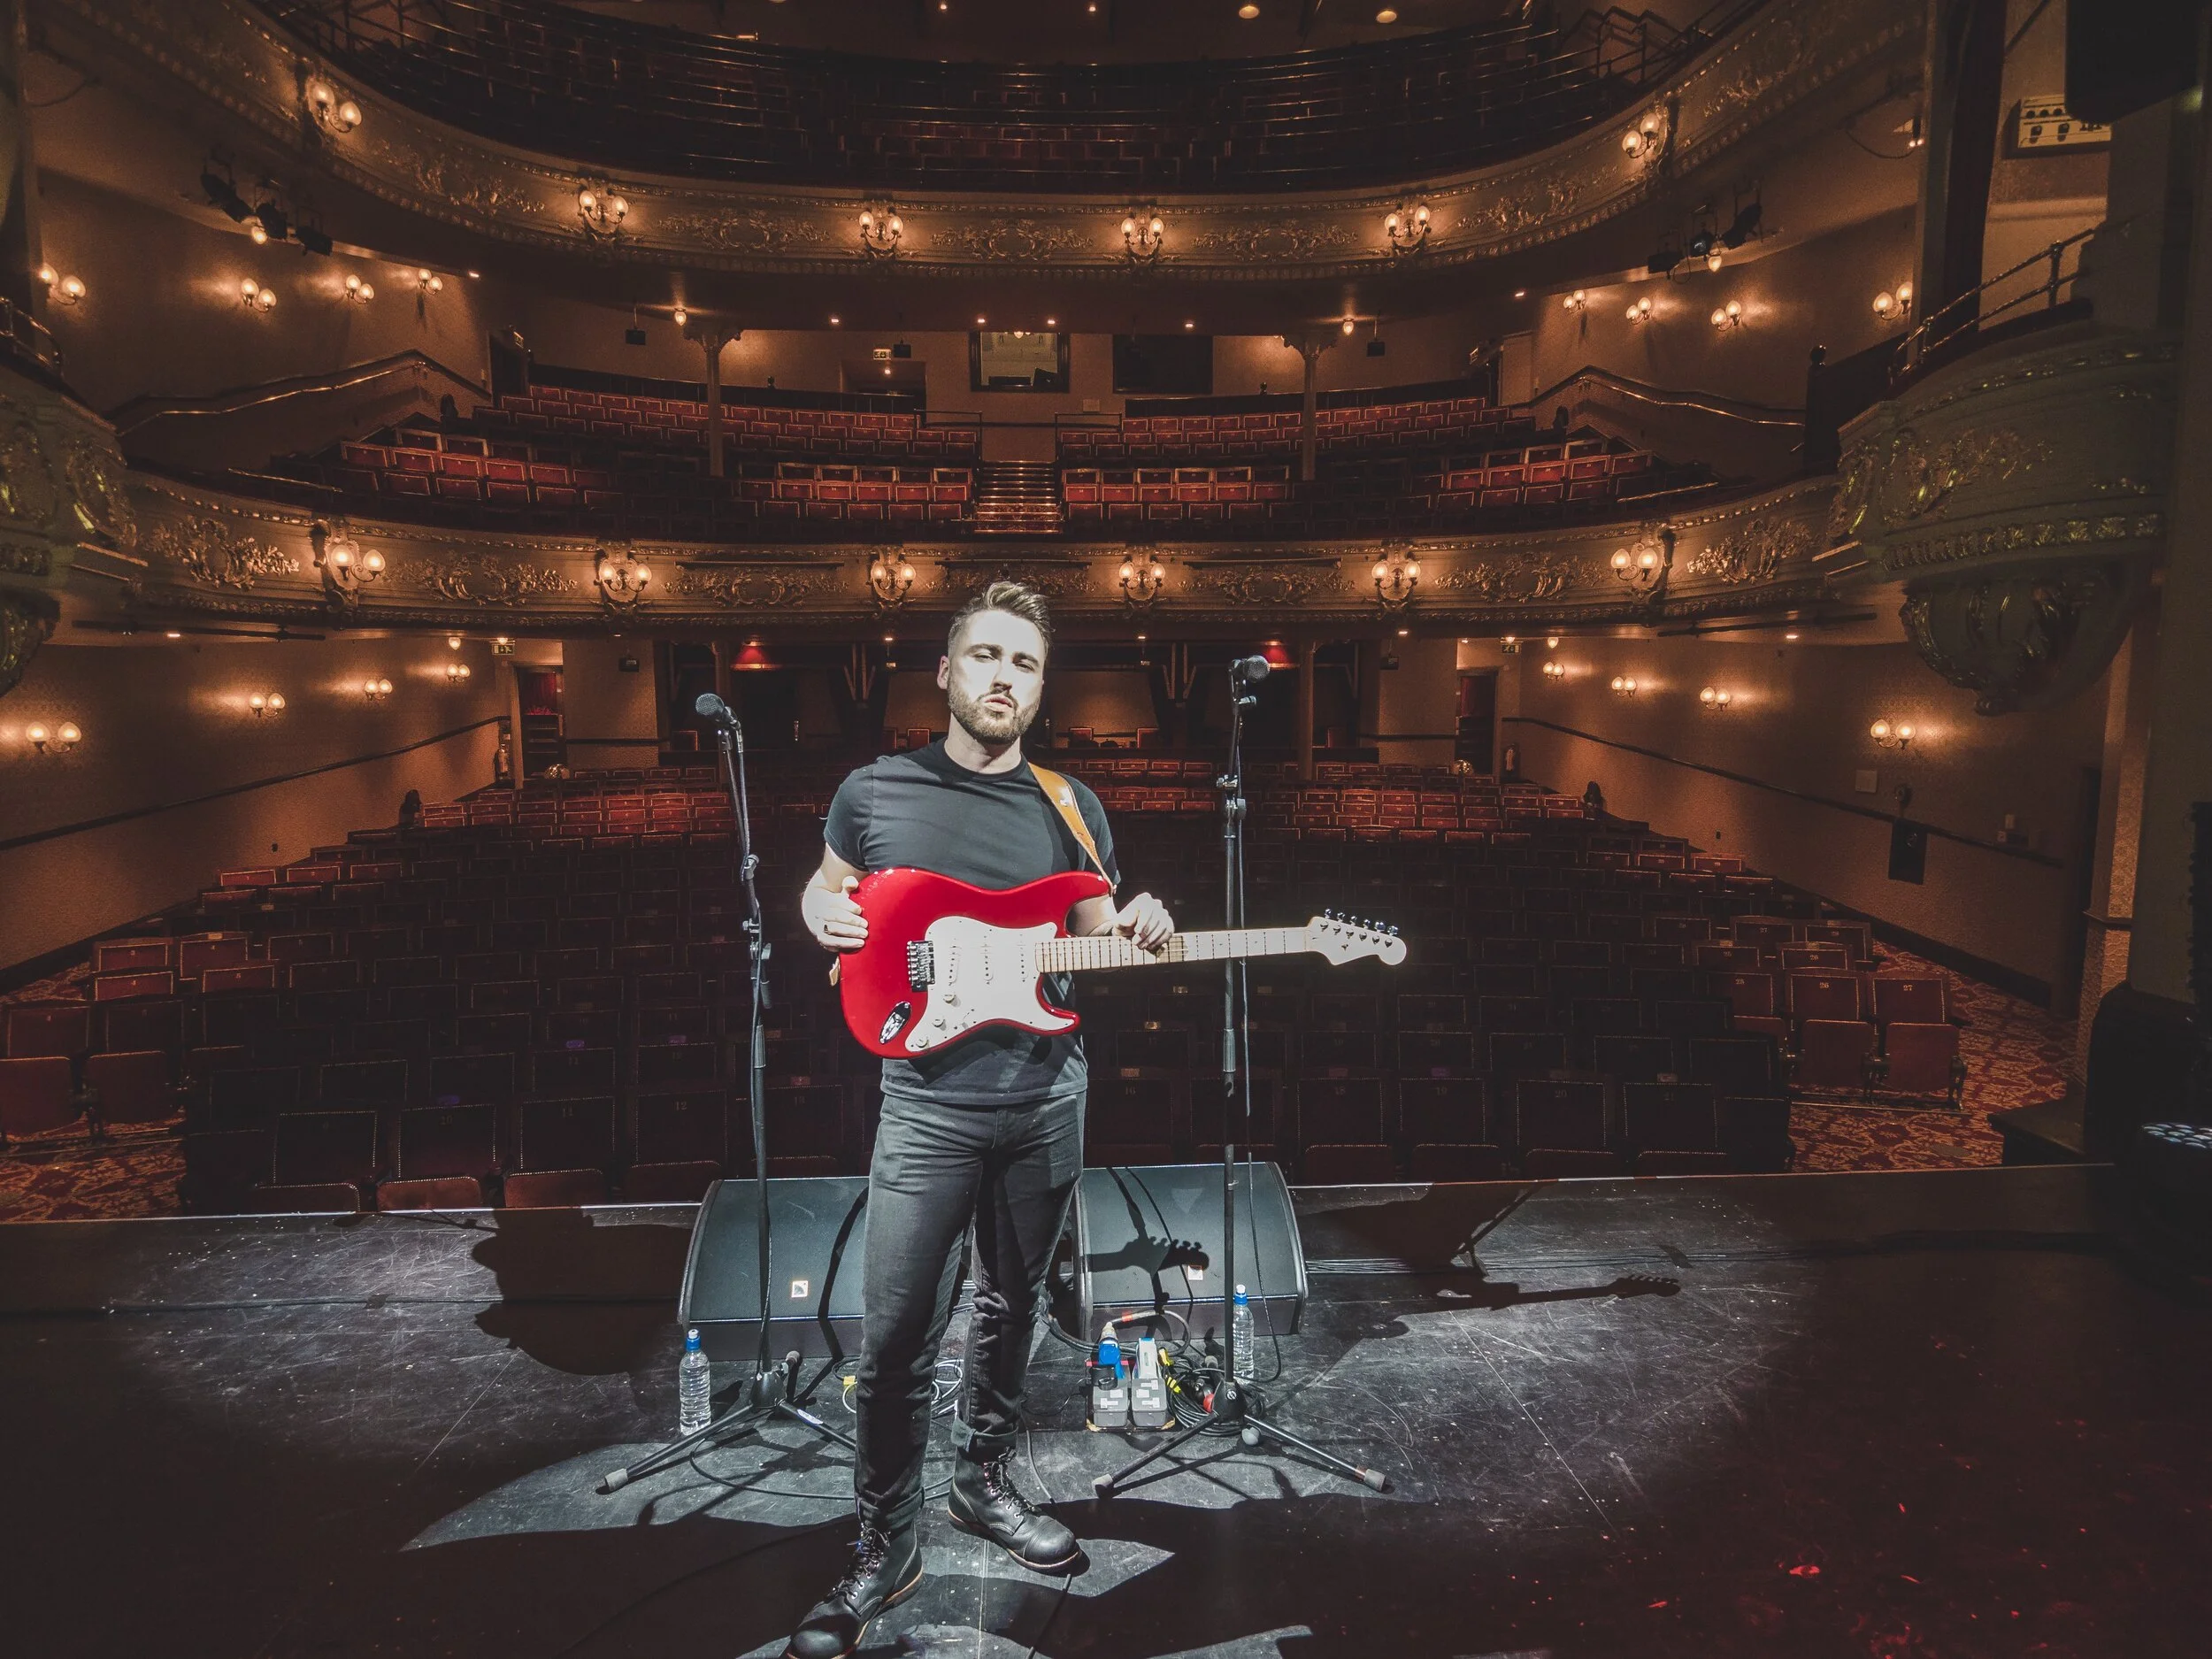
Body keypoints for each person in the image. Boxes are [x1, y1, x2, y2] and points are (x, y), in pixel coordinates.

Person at [787, 580, 1175, 1658]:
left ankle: (982, 1484)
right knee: (898, 1330)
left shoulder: (1070, 803)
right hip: (924, 1102)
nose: (1006, 678)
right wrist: (816, 910)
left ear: (1038, 689)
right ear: (948, 672)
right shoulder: (872, 791)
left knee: (1013, 1308)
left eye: (1026, 665)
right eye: (988, 657)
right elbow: (831, 904)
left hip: (1047, 1094)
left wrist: (1138, 926)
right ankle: (883, 1539)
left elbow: (1096, 934)